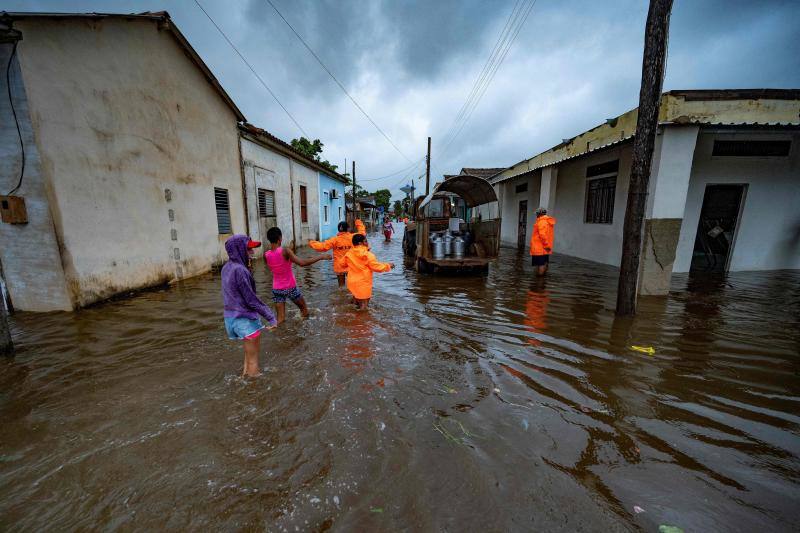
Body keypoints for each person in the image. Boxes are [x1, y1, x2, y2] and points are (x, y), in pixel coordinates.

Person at [221, 235, 277, 377]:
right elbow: (251, 299)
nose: (252, 252)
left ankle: (244, 379)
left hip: (230, 319)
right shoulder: (241, 270)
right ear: (239, 250)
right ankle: (254, 392)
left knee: (248, 358)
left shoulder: (226, 268)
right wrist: (271, 317)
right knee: (253, 362)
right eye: (248, 249)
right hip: (244, 319)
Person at [265, 227, 331, 323]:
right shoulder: (286, 251)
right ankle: (304, 330)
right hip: (290, 287)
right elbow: (302, 263)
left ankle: (279, 335)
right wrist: (321, 257)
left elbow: (278, 262)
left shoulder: (266, 255)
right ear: (280, 238)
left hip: (276, 289)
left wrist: (290, 251)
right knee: (304, 310)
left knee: (280, 319)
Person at [308, 219, 366, 287]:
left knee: (341, 287)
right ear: (348, 228)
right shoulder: (354, 237)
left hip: (339, 266)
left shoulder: (334, 240)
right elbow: (362, 233)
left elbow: (322, 247)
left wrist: (311, 243)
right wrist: (358, 222)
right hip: (351, 265)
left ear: (339, 229)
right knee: (353, 286)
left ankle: (341, 296)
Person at [344, 233, 394, 309]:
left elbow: (342, 264)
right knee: (364, 305)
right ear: (360, 243)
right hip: (363, 283)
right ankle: (362, 319)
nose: (367, 243)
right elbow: (377, 267)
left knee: (355, 299)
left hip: (351, 282)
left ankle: (351, 315)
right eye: (366, 241)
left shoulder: (348, 253)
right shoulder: (368, 255)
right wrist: (388, 265)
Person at [530, 207, 557, 276]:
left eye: (537, 214)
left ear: (540, 214)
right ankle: (542, 281)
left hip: (539, 248)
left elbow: (542, 235)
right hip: (544, 248)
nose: (536, 215)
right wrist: (547, 246)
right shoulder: (547, 221)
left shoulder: (542, 222)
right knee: (544, 263)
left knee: (540, 264)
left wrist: (546, 245)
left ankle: (539, 281)